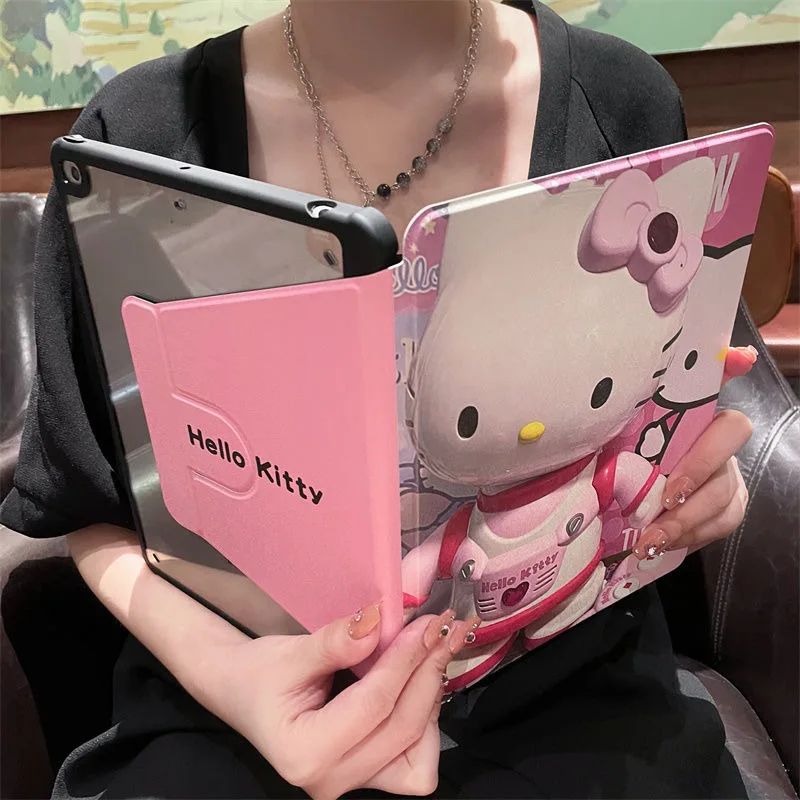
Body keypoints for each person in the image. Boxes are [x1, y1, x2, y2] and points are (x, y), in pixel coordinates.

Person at [1, 1, 758, 797]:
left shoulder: (620, 99)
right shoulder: (134, 135)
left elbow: (659, 398)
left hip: (573, 687)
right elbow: (92, 500)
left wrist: (694, 478)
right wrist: (236, 679)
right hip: (233, 704)